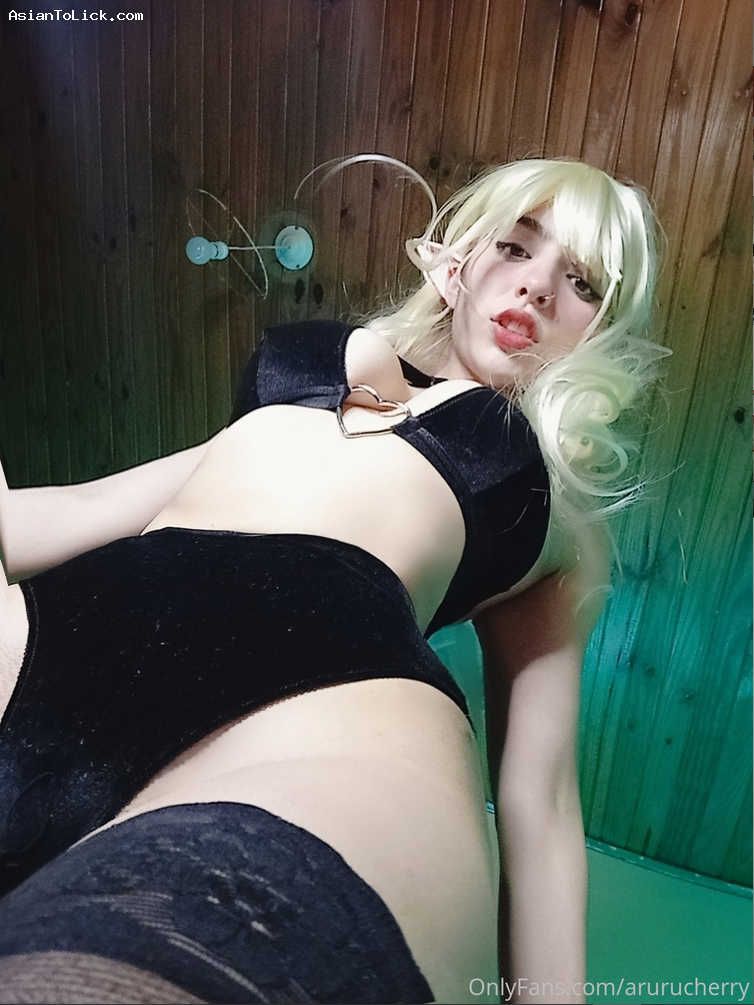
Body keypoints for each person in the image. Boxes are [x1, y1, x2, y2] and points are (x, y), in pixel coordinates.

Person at [0, 158, 666, 1005]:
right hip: (57, 636)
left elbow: (542, 801)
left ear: (601, 331)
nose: (537, 285)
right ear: (459, 258)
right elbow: (58, 518)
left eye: (582, 282)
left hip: (314, 711)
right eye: (515, 247)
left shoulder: (563, 521)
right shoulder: (296, 400)